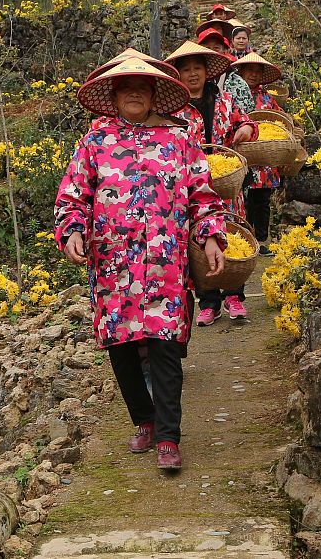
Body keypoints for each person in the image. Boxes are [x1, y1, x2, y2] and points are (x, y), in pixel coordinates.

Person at [55, 57, 229, 471]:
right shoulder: (93, 144)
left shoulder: (179, 140)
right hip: (113, 265)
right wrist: (74, 231)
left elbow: (203, 196)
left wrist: (210, 237)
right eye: (125, 85)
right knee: (122, 346)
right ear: (113, 95)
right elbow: (71, 198)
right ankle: (144, 421)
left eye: (142, 86)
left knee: (166, 345)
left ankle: (169, 437)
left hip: (165, 263)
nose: (134, 91)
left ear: (153, 94)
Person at [164, 41, 256, 325]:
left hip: (226, 184)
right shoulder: (172, 111)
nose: (193, 74)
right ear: (178, 76)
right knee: (198, 241)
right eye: (187, 70)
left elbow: (248, 123)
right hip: (192, 189)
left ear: (207, 72)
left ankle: (234, 296)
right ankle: (208, 301)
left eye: (198, 69)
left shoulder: (225, 101)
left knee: (231, 235)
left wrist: (244, 129)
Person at [233, 52, 285, 256]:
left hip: (265, 160)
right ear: (241, 72)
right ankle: (244, 239)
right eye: (249, 71)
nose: (253, 75)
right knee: (244, 201)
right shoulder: (234, 93)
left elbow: (279, 119)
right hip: (243, 156)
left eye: (257, 71)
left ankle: (261, 240)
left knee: (262, 201)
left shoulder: (267, 98)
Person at [196, 28, 254, 113]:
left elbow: (248, 115)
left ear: (224, 52)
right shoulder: (191, 80)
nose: (212, 52)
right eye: (207, 48)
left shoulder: (238, 84)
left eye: (216, 48)